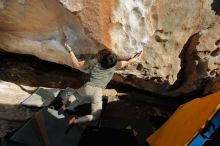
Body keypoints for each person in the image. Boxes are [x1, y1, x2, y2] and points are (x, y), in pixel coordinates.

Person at [52, 42, 141, 126]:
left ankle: (64, 107)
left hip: (87, 87)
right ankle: (76, 120)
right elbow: (128, 62)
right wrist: (136, 58)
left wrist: (70, 51)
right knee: (95, 116)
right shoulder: (116, 65)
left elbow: (77, 64)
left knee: (75, 96)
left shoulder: (94, 62)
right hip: (97, 92)